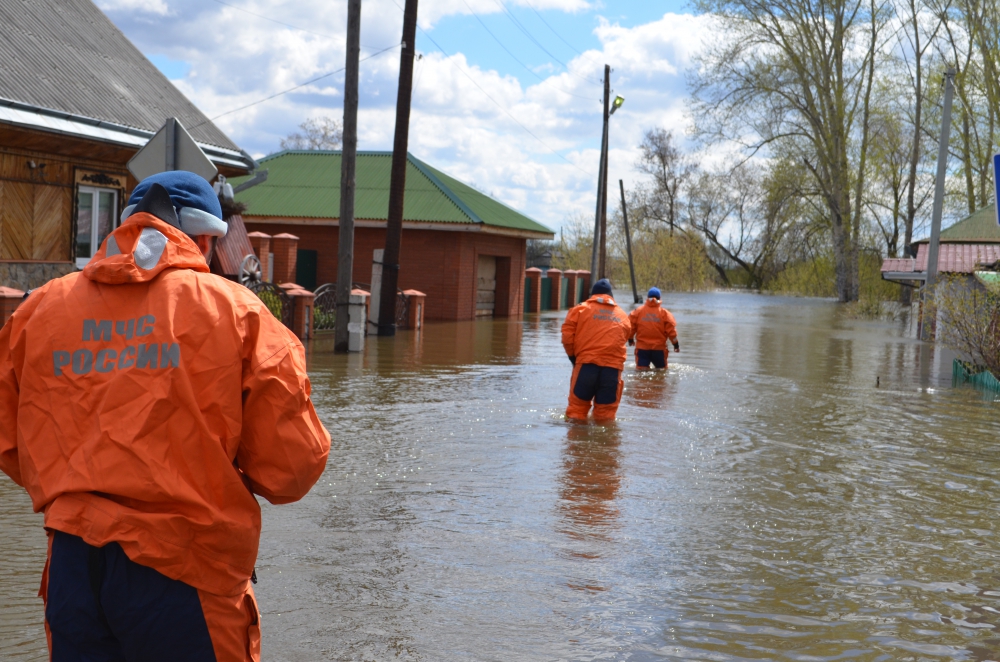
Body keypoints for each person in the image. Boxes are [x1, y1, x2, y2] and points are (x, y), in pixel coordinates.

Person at [0, 171, 331, 662]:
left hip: (74, 566)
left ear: (125, 227)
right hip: (188, 570)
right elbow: (290, 471)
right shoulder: (239, 313)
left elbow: (11, 443)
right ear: (204, 238)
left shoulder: (38, 310)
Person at [561, 278, 631, 422]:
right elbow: (622, 340)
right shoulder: (623, 316)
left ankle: (577, 443)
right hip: (612, 371)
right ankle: (603, 445)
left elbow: (567, 337)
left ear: (593, 295)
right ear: (611, 295)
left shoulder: (580, 309)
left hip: (586, 367)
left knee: (576, 414)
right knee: (606, 418)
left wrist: (573, 358)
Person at [627, 287, 679, 370]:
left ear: (647, 297)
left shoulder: (638, 311)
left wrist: (630, 339)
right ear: (660, 298)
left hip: (642, 349)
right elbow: (672, 332)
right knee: (661, 372)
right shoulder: (665, 314)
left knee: (641, 374)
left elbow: (630, 327)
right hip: (659, 350)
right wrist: (676, 344)